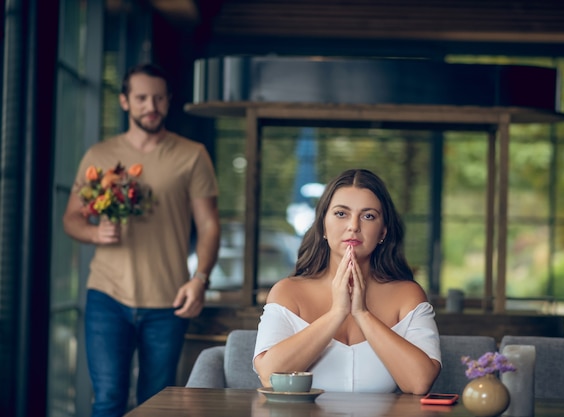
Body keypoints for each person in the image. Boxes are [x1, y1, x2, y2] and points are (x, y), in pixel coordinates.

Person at [63, 63, 221, 417]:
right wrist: (94, 232)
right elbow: (71, 218)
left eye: (159, 98)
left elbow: (209, 225)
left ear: (167, 101)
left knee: (157, 405)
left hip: (169, 300)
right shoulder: (99, 156)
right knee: (107, 401)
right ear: (124, 101)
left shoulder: (192, 154)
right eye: (142, 98)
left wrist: (200, 280)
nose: (151, 105)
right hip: (107, 296)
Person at [253, 169, 441, 395]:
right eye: (341, 214)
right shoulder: (288, 292)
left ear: (383, 232)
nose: (354, 226)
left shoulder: (407, 295)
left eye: (368, 216)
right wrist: (337, 313)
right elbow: (270, 377)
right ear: (323, 225)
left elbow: (419, 383)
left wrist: (362, 313)